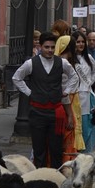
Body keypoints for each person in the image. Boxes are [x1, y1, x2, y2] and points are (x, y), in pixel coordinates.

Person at [12, 31, 78, 168]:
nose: (50, 50)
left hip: (55, 112)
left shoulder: (62, 62)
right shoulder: (31, 63)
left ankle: (55, 177)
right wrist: (29, 93)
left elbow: (74, 77)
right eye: (47, 47)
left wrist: (66, 91)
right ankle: (40, 176)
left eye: (52, 47)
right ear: (40, 46)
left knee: (56, 149)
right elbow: (16, 78)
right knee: (39, 149)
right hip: (37, 112)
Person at [54, 35, 84, 162]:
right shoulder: (64, 64)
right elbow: (64, 93)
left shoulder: (58, 62)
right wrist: (70, 115)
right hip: (66, 105)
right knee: (67, 135)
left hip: (69, 102)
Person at [73, 31, 95, 152]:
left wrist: (90, 81)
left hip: (87, 96)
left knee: (87, 127)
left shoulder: (88, 58)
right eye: (78, 41)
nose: (81, 44)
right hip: (75, 97)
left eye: (82, 42)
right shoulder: (69, 59)